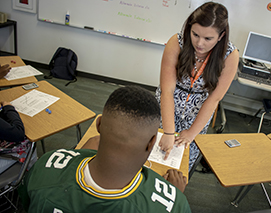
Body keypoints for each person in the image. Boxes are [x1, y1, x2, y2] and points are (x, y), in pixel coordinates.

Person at [19, 86, 191, 213]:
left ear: (99, 124)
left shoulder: (45, 164)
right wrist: (174, 194)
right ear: (152, 142)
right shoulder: (174, 205)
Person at [155, 2, 239, 170]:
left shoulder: (230, 55)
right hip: (166, 107)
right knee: (154, 155)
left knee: (181, 165)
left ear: (221, 36)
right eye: (195, 35)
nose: (200, 43)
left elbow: (215, 98)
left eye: (208, 38)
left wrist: (192, 132)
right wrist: (169, 132)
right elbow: (167, 91)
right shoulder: (177, 42)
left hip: (197, 116)